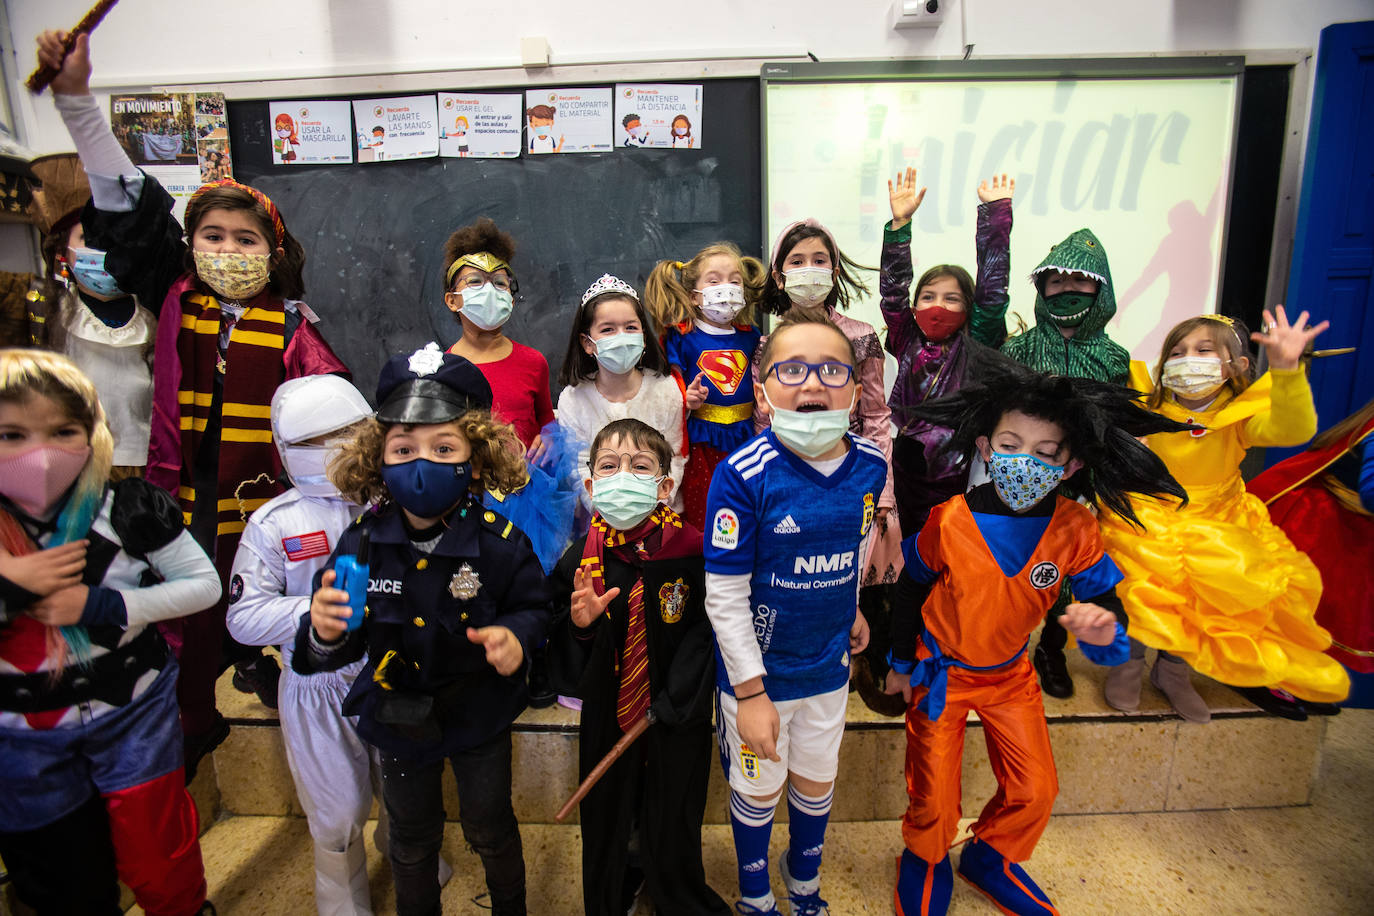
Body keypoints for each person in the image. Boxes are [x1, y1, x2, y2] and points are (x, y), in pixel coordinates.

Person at [36, 28, 350, 772]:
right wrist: (79, 103)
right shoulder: (173, 295)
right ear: (191, 245)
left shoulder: (293, 327)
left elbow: (334, 407)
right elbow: (128, 201)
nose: (230, 251)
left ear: (272, 252)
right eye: (214, 235)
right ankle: (186, 729)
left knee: (266, 597)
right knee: (182, 616)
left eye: (247, 240)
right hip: (176, 493)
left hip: (263, 500)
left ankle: (260, 670)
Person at [883, 362, 1191, 916]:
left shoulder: (1076, 527)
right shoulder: (947, 521)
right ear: (985, 446)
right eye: (1010, 443)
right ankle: (925, 856)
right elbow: (909, 591)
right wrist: (901, 661)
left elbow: (1104, 603)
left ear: (1069, 463)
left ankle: (991, 854)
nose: (1026, 460)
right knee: (934, 794)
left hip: (1010, 676)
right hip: (940, 677)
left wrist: (1102, 625)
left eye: (1046, 452)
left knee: (1037, 789)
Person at [296, 347, 550, 916]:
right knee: (410, 841)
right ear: (377, 458)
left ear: (476, 461)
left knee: (489, 826)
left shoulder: (498, 543)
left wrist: (516, 634)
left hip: (478, 711)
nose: (421, 463)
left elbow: (535, 609)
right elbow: (333, 645)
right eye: (404, 449)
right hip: (397, 716)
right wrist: (324, 631)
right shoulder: (362, 542)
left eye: (444, 448)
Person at [0, 349, 221, 916]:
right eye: (11, 434)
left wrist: (103, 603)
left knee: (159, 854)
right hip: (22, 731)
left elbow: (202, 586)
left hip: (131, 709)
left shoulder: (127, 508)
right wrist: (14, 585)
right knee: (60, 870)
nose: (39, 454)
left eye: (62, 431)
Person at [227, 374, 454, 915]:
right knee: (338, 810)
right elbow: (243, 617)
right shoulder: (275, 523)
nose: (337, 449)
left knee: (407, 790)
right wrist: (318, 609)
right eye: (316, 440)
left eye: (349, 432)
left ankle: (409, 857)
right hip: (316, 684)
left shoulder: (399, 498)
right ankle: (341, 899)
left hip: (390, 672)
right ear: (287, 450)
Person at [705, 314, 888, 916]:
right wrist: (751, 692)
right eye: (792, 370)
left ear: (855, 391)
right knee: (758, 789)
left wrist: (851, 605)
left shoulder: (870, 465)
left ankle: (802, 881)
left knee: (816, 782)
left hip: (829, 670)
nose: (813, 386)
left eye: (832, 371)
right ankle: (756, 892)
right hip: (759, 681)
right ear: (762, 390)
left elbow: (856, 545)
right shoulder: (743, 475)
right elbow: (725, 596)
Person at [1099, 308, 1350, 721]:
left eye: (1202, 350)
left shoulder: (1239, 415)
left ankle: (1174, 672)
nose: (1187, 359)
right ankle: (1129, 663)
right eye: (1177, 351)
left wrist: (1288, 372)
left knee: (1205, 597)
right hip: (1151, 510)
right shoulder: (1150, 401)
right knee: (1143, 591)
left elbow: (1293, 430)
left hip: (1217, 517)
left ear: (1237, 366)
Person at [547, 418, 729, 916]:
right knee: (610, 810)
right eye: (609, 466)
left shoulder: (693, 552)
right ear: (591, 485)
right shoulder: (580, 564)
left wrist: (676, 698)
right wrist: (582, 626)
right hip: (611, 715)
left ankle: (671, 887)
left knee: (672, 808)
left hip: (675, 710)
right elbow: (562, 656)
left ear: (665, 485)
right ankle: (617, 888)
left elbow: (707, 630)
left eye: (640, 466)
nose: (622, 475)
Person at [999, 226, 1131, 700]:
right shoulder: (1018, 349)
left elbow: (1118, 429)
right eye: (1054, 283)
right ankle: (1005, 646)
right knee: (1014, 568)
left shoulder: (1115, 358)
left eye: (1079, 282)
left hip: (1081, 486)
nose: (1066, 291)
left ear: (1101, 289)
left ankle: (1051, 650)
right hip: (1021, 480)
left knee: (1066, 574)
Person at [756, 219, 901, 590]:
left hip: (852, 471)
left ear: (834, 272)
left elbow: (876, 417)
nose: (809, 269)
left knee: (848, 573)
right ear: (778, 275)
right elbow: (762, 421)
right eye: (798, 260)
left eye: (819, 261)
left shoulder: (862, 337)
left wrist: (883, 490)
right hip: (789, 475)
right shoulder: (765, 345)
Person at [443, 217, 575, 574]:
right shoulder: (443, 368)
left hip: (528, 500)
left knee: (528, 582)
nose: (490, 290)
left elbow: (547, 422)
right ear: (453, 300)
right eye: (475, 282)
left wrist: (550, 440)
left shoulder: (532, 362)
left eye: (499, 283)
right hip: (467, 500)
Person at [24, 152, 156, 479]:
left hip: (145, 464)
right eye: (90, 240)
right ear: (62, 251)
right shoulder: (47, 311)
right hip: (73, 465)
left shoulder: (153, 316)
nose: (106, 252)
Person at [1247, 396, 1374, 714]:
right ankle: (1255, 674)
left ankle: (1292, 676)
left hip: (1349, 526)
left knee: (1323, 609)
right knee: (1291, 604)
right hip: (1316, 519)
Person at [645, 243, 765, 530]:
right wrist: (688, 399)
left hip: (745, 439)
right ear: (693, 295)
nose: (726, 288)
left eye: (734, 281)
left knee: (746, 511)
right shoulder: (682, 337)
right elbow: (668, 391)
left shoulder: (752, 336)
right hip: (702, 444)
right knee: (706, 516)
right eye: (714, 281)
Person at [556, 274, 688, 515]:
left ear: (643, 337)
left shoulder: (665, 390)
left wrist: (653, 508)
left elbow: (675, 456)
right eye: (608, 329)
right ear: (587, 343)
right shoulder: (573, 399)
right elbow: (579, 468)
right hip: (601, 520)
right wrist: (607, 512)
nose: (621, 337)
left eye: (630, 327)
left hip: (660, 518)